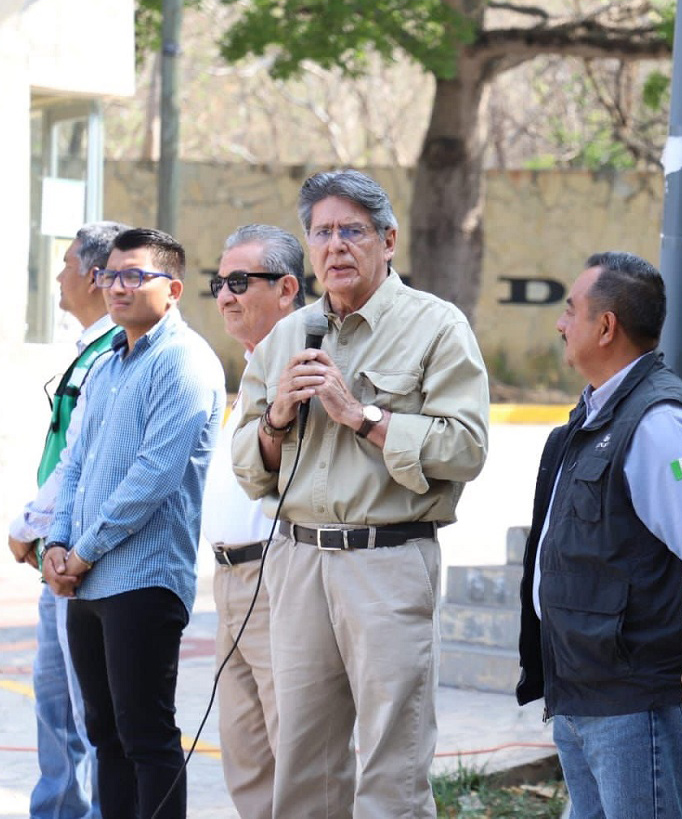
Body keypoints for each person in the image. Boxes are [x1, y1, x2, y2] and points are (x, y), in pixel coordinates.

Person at [231, 169, 490, 819]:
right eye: (322, 232)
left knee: (391, 761)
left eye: (353, 230)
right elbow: (246, 464)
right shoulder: (288, 336)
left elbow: (467, 447)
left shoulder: (436, 326)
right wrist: (277, 419)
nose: (336, 246)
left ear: (389, 239)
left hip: (387, 558)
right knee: (304, 759)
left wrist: (361, 415)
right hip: (297, 558)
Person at [516, 251, 682, 819]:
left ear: (605, 327)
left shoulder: (657, 425)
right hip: (583, 692)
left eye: (570, 310)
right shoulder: (597, 414)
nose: (560, 324)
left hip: (635, 704)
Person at [42, 227, 226, 819]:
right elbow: (75, 464)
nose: (115, 287)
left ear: (171, 289)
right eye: (108, 274)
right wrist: (56, 542)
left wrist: (85, 550)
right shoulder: (106, 364)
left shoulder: (185, 360)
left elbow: (152, 477)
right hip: (88, 582)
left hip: (144, 581)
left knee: (146, 737)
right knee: (105, 738)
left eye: (132, 275)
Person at [8, 220, 127, 819]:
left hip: (80, 561)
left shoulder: (114, 352)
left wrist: (29, 524)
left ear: (92, 273)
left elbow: (84, 458)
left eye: (64, 264)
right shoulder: (88, 350)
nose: (56, 276)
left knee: (92, 714)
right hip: (57, 556)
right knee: (56, 707)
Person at [201, 224, 304, 819]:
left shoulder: (302, 364)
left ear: (287, 287)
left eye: (241, 281)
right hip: (229, 583)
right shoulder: (251, 368)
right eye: (220, 283)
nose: (225, 296)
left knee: (297, 756)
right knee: (245, 758)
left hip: (278, 577)